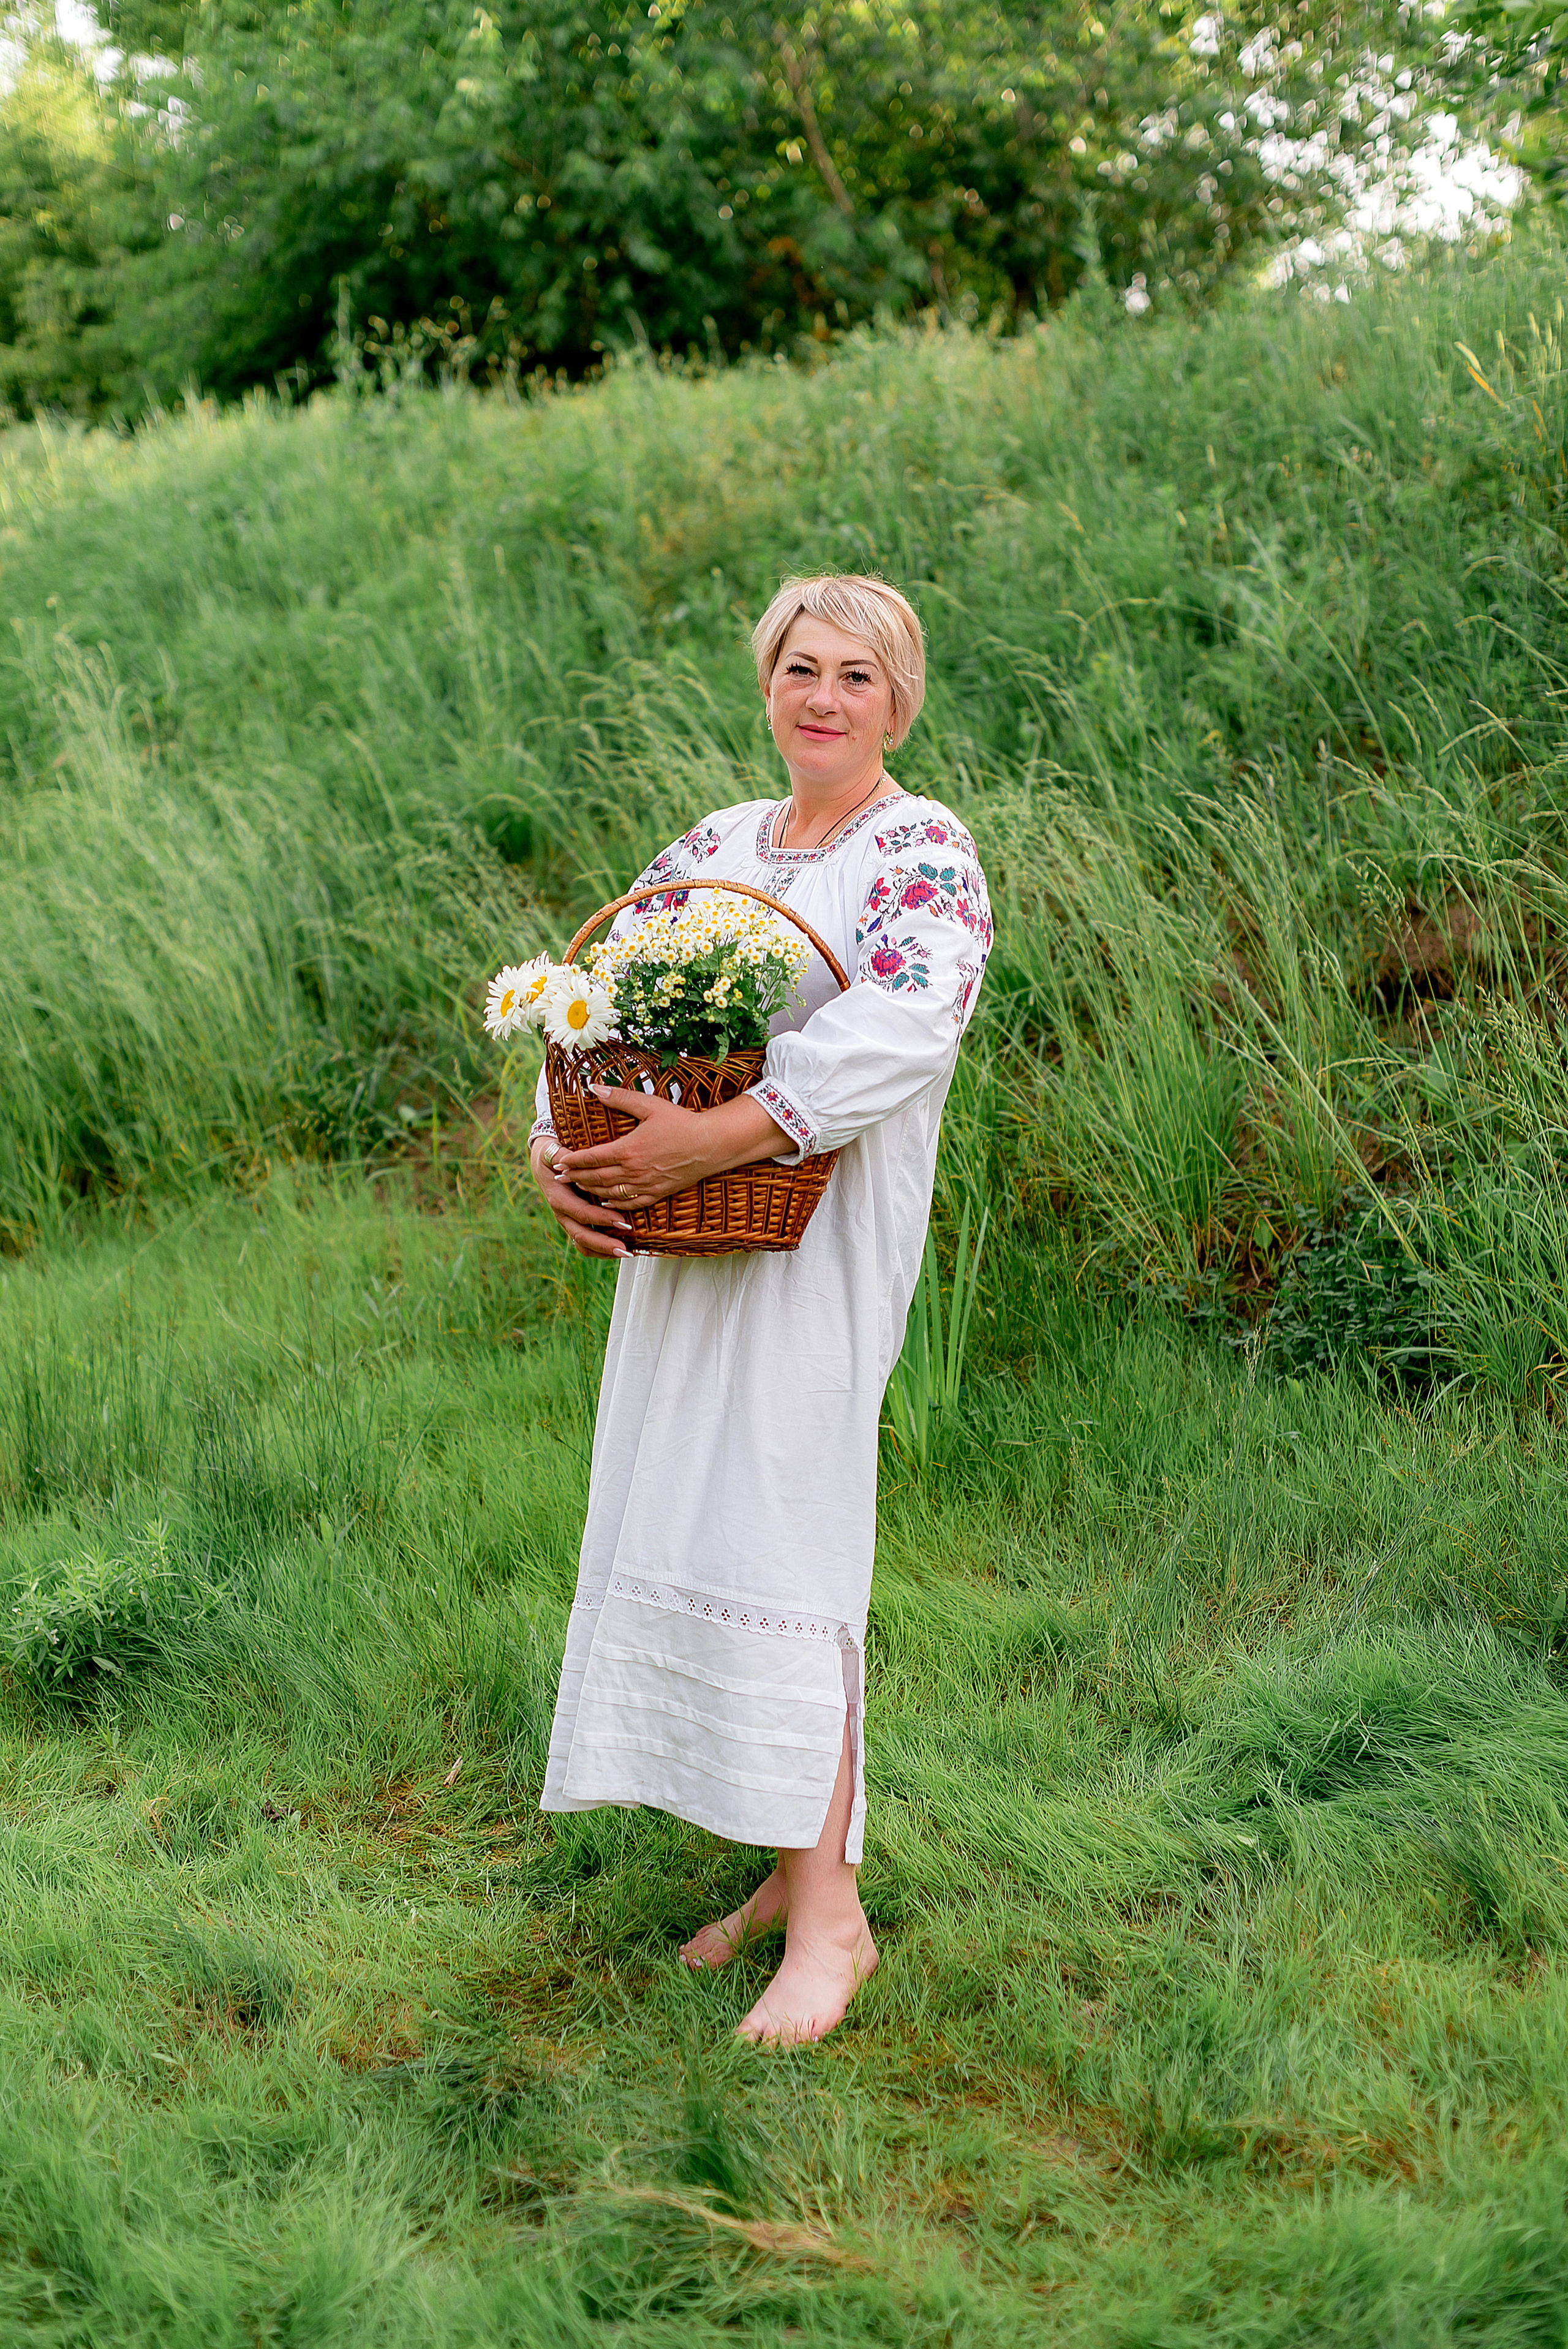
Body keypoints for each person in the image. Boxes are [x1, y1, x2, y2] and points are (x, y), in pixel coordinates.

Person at [527, 573, 992, 2043]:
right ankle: (802, 1876)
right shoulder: (713, 848)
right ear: (766, 682)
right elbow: (591, 1005)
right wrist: (564, 1152)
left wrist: (711, 1143)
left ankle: (833, 1923)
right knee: (700, 1513)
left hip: (814, 1238)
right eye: (801, 668)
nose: (823, 697)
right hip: (686, 1243)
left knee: (787, 1526)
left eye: (857, 675)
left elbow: (902, 1029)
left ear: (897, 698)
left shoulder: (920, 850)